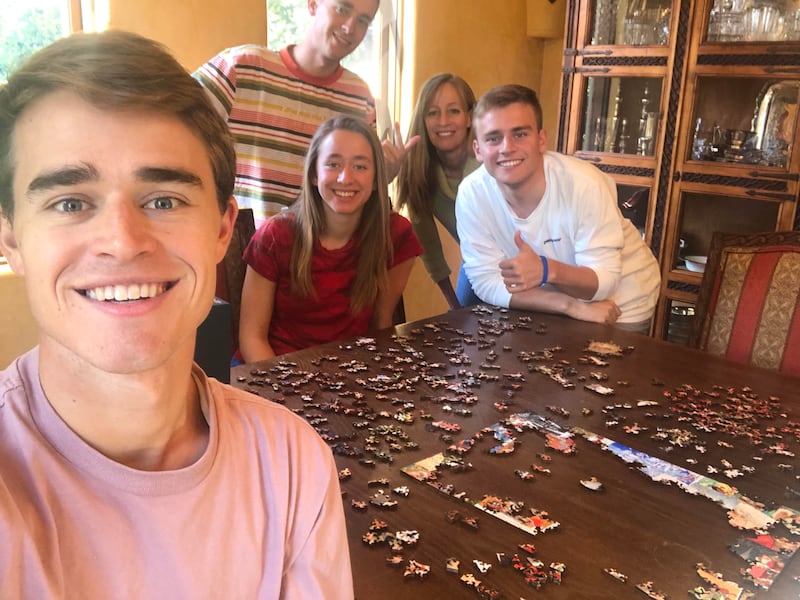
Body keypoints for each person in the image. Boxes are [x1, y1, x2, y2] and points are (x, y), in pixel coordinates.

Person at [0, 31, 352, 597]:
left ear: (220, 230)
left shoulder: (293, 464)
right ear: (12, 239)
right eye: (70, 203)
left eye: (163, 200)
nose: (122, 241)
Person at [456, 84, 660, 333]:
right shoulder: (471, 194)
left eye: (520, 134)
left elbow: (604, 280)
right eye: (493, 138)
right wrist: (569, 306)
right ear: (478, 149)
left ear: (542, 140)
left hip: (620, 302)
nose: (506, 147)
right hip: (551, 300)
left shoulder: (585, 183)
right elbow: (486, 281)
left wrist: (545, 269)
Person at [194, 0, 416, 226]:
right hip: (234, 250)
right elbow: (171, 128)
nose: (350, 27)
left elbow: (351, 189)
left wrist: (382, 175)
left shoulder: (360, 97)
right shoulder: (240, 68)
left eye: (363, 20)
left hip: (315, 254)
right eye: (342, 9)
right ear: (312, 4)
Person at [238, 115, 422, 361]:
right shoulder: (274, 237)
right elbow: (252, 338)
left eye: (360, 166)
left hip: (348, 375)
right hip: (273, 369)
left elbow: (381, 325)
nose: (345, 178)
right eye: (333, 164)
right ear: (314, 174)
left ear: (377, 178)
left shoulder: (396, 236)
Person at [396, 73, 480, 310]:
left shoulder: (490, 163)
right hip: (476, 260)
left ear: (469, 117)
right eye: (433, 113)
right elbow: (428, 246)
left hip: (526, 260)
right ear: (423, 120)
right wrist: (453, 306)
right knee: (462, 331)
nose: (443, 121)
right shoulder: (419, 172)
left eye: (453, 111)